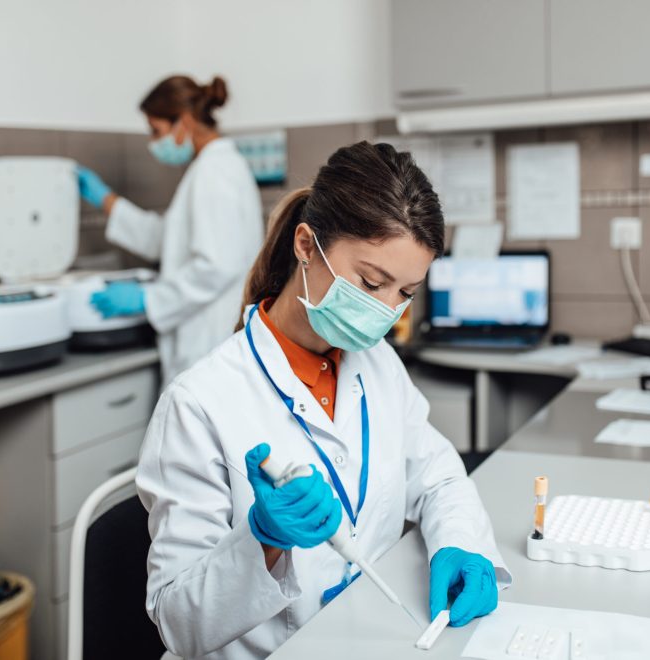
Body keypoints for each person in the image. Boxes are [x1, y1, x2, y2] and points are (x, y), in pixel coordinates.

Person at [136, 141, 511, 660]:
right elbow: (178, 623)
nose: (386, 311)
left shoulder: (378, 364)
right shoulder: (198, 402)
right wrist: (264, 541)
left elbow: (439, 476)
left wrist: (461, 544)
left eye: (405, 292)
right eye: (371, 282)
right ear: (307, 246)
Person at [77, 75, 263, 385]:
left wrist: (150, 299)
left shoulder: (214, 172)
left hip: (208, 342)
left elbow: (215, 266)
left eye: (156, 131)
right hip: (208, 341)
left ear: (184, 121)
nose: (153, 143)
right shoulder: (215, 168)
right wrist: (106, 200)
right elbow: (170, 239)